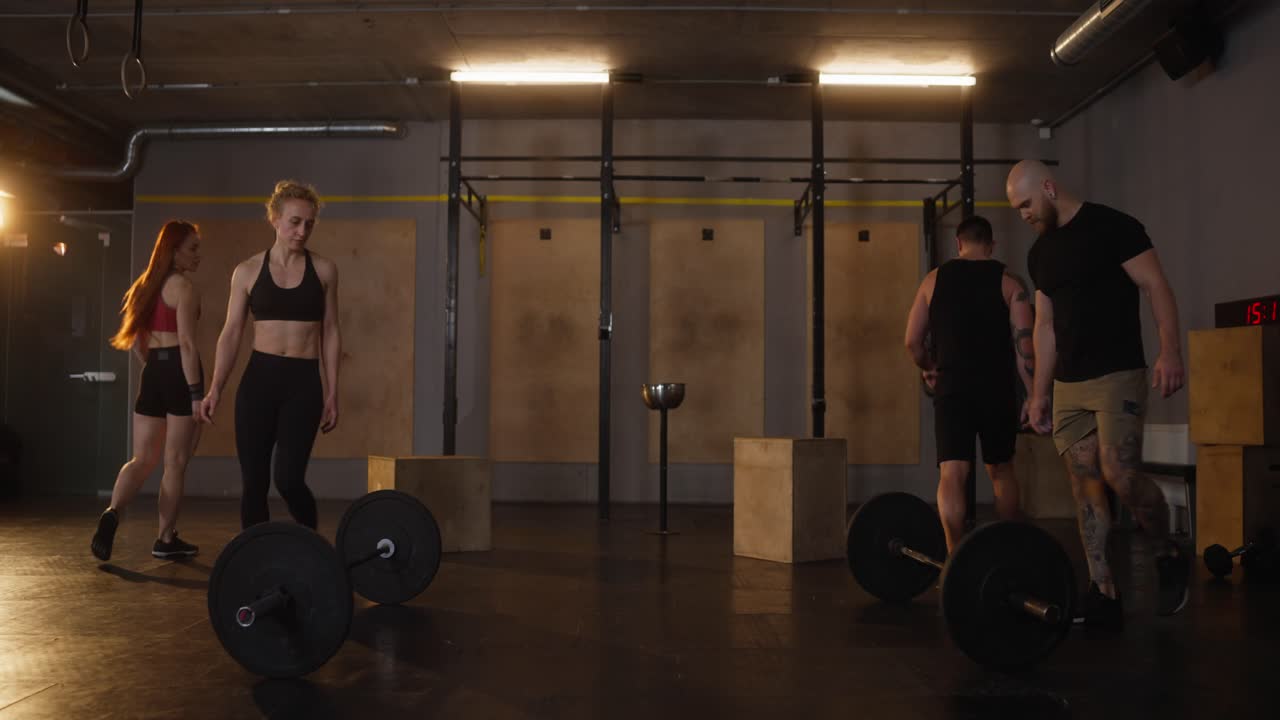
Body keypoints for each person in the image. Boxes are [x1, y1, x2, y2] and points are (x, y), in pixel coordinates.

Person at [1006, 159, 1190, 626]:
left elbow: (1155, 286)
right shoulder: (1040, 254)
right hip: (1069, 383)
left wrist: (1170, 351)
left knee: (1120, 475)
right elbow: (1045, 326)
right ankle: (1103, 589)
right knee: (1085, 484)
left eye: (1026, 203)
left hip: (1117, 375)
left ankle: (1168, 548)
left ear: (1048, 188)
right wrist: (1039, 392)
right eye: (1016, 208)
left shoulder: (1115, 227)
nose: (1023, 214)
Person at [199, 180, 341, 530]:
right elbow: (231, 332)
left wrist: (332, 391)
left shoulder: (323, 270)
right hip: (259, 382)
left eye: (309, 223)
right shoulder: (247, 271)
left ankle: (312, 551)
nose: (302, 230)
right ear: (275, 219)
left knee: (289, 480)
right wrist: (215, 387)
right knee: (255, 485)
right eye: (294, 221)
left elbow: (331, 331)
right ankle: (255, 563)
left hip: (303, 384)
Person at [904, 215, 1035, 554]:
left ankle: (955, 558)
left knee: (952, 474)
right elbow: (1026, 350)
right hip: (997, 390)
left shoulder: (932, 281)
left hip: (952, 388)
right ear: (992, 246)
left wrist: (930, 367)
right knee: (1001, 471)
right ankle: (1009, 553)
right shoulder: (1010, 284)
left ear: (958, 244)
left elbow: (911, 342)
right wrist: (1035, 395)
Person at [92, 220, 204, 561]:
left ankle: (112, 512)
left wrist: (155, 369)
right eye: (192, 249)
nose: (198, 256)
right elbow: (186, 344)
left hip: (153, 370)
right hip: (180, 374)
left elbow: (138, 346)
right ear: (173, 252)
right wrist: (196, 394)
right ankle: (165, 539)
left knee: (141, 459)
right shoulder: (183, 287)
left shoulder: (143, 286)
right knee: (175, 462)